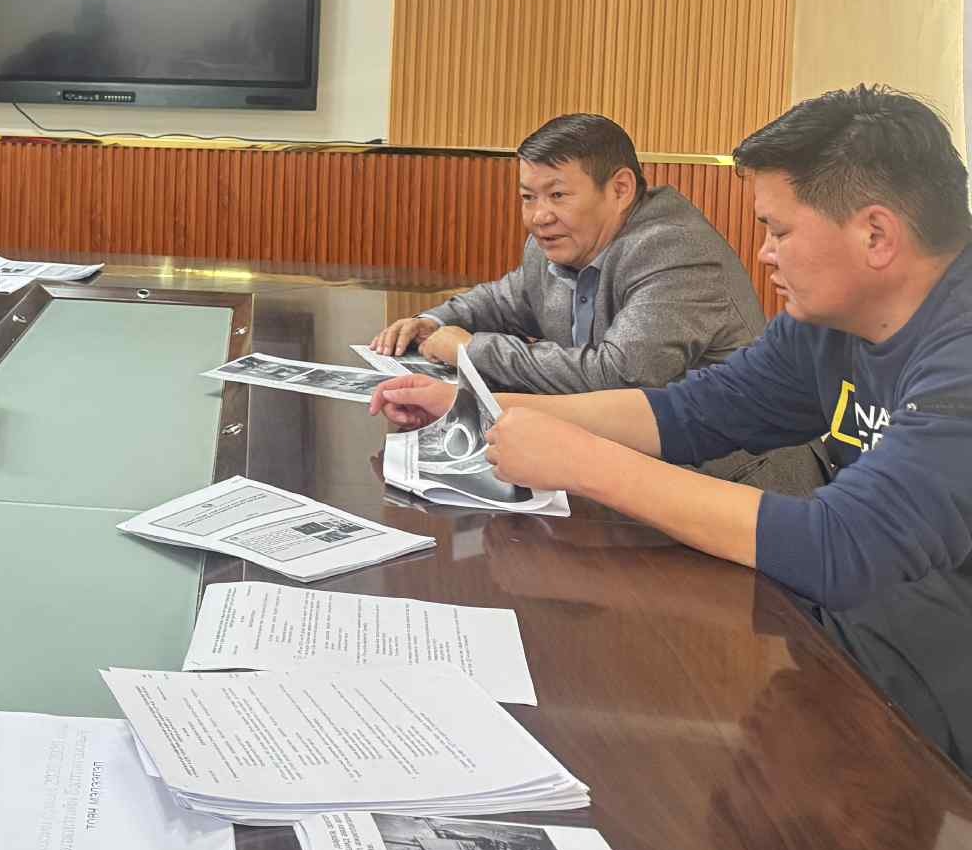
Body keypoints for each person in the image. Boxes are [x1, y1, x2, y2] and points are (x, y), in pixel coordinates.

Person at [370, 87, 972, 769]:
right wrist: (477, 406)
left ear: (876, 236)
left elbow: (842, 545)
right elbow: (692, 411)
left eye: (778, 231)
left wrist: (586, 462)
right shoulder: (829, 322)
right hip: (867, 635)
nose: (764, 253)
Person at [371, 113, 766, 393]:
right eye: (528, 197)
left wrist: (472, 350)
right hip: (615, 451)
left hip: (725, 472)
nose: (539, 216)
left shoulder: (674, 250)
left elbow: (620, 376)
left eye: (558, 195)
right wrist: (432, 322)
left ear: (621, 189)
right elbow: (504, 301)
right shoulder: (557, 242)